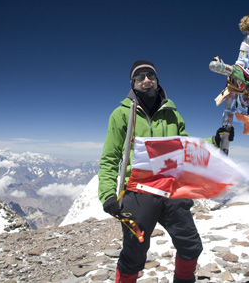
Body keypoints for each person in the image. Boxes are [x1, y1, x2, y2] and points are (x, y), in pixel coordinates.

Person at [98, 60, 234, 283]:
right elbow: (110, 158)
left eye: (150, 76)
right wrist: (107, 195)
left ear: (157, 80)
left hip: (170, 186)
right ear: (132, 83)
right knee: (134, 251)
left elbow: (186, 146)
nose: (146, 80)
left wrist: (216, 141)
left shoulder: (171, 113)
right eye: (140, 77)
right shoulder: (121, 114)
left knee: (190, 244)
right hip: (138, 189)